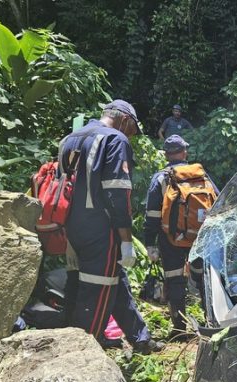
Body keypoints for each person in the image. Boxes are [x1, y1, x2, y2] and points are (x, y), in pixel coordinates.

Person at [59, 99, 163, 353]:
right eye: (132, 129)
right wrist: (126, 239)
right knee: (96, 290)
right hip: (100, 229)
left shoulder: (71, 138)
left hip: (71, 226)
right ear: (125, 120)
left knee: (114, 280)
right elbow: (117, 193)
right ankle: (83, 352)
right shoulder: (115, 139)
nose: (131, 135)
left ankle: (140, 338)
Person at [144, 135, 214, 336]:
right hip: (200, 237)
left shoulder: (160, 178)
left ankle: (179, 330)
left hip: (171, 238)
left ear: (166, 155)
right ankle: (211, 323)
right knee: (203, 279)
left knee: (174, 280)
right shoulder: (201, 175)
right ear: (185, 152)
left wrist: (150, 243)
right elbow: (217, 203)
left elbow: (152, 215)